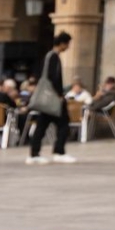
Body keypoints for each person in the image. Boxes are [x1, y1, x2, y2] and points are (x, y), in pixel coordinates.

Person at [26, 33, 76, 165]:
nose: (68, 47)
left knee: (42, 125)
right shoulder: (53, 57)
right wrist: (59, 95)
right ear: (62, 43)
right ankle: (58, 152)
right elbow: (53, 78)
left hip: (49, 99)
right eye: (67, 44)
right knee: (63, 124)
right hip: (53, 98)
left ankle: (35, 153)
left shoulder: (48, 56)